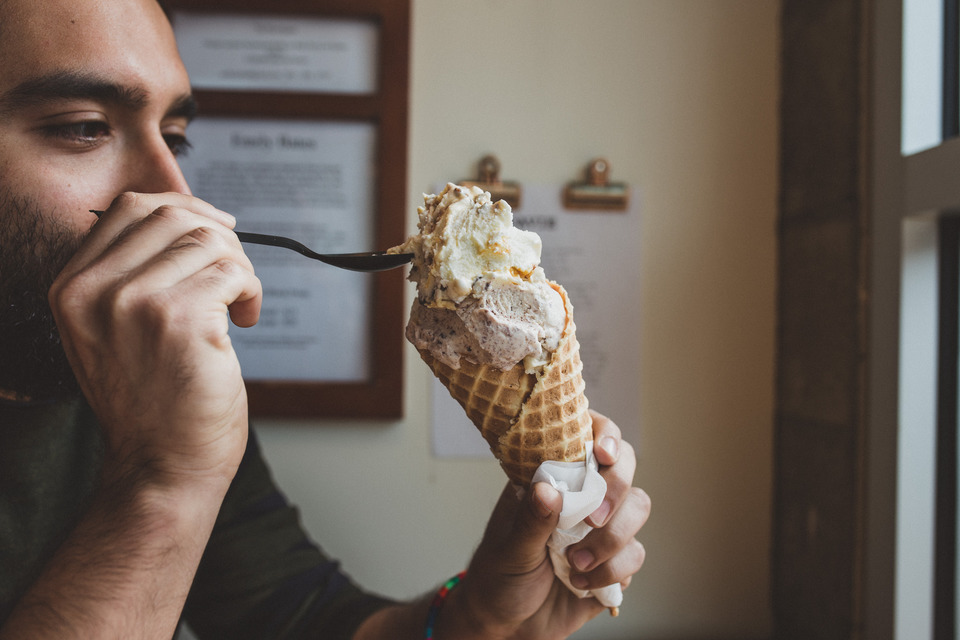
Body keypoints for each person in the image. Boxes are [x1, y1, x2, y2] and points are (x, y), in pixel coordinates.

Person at [0, 0, 652, 638]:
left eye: (176, 137)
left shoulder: (148, 378)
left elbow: (300, 618)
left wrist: (479, 616)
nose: (175, 194)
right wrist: (165, 484)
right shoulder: (157, 409)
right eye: (82, 126)